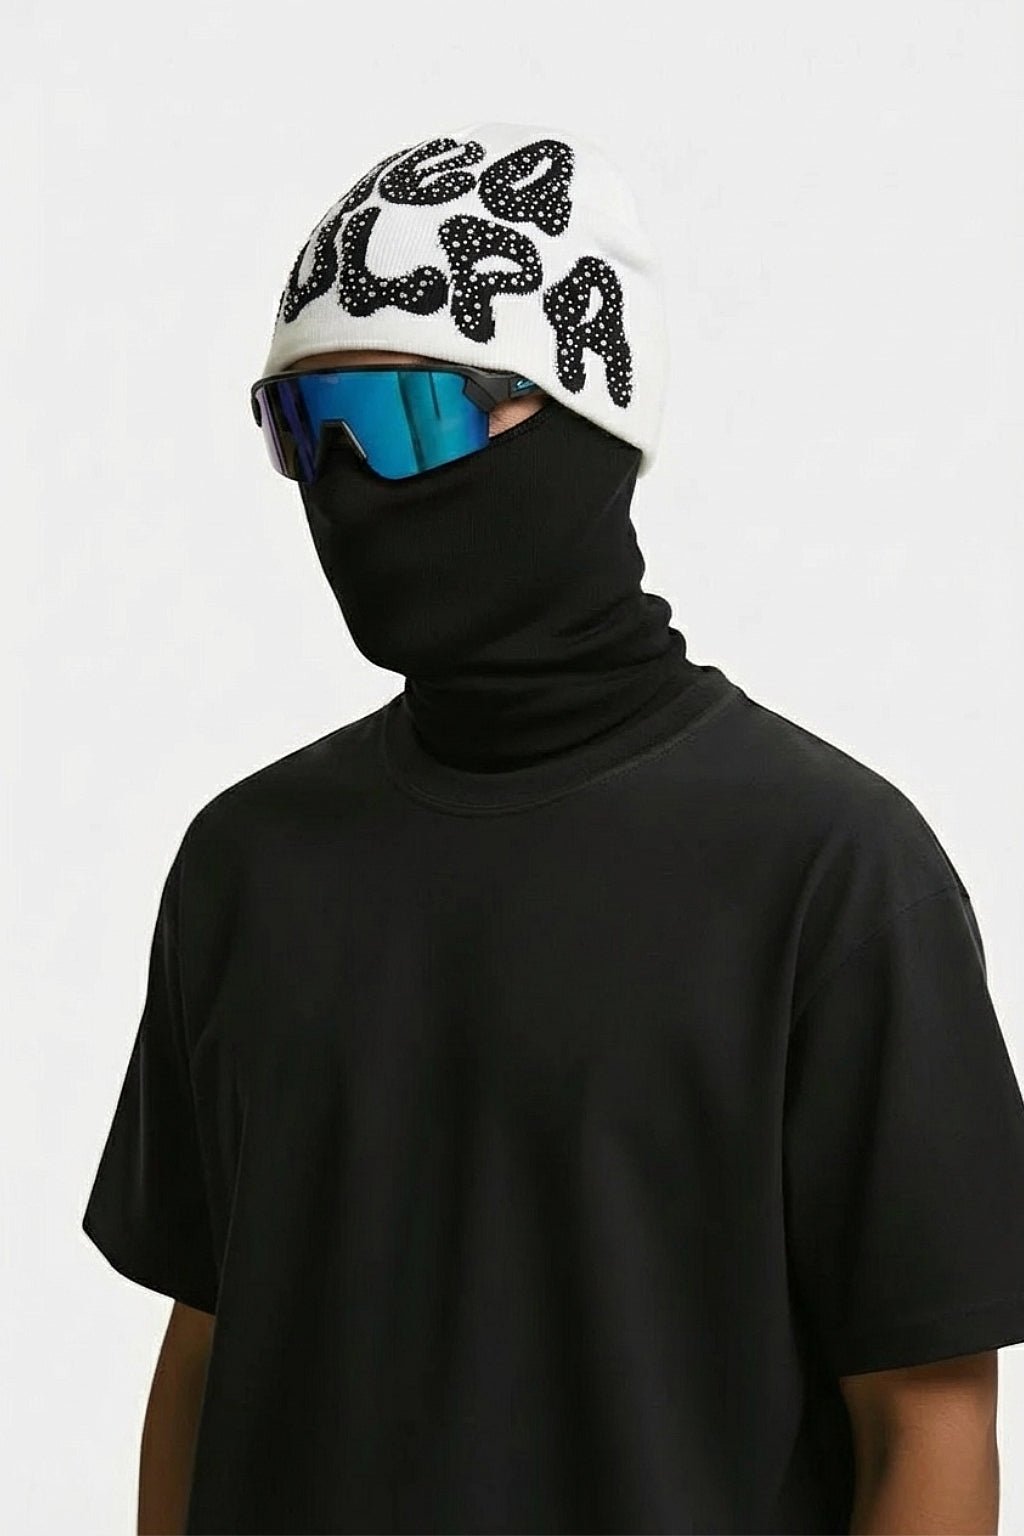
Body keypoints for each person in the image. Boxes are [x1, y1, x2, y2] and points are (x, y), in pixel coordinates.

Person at [81, 122, 1024, 1536]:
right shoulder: (247, 867)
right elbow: (209, 1352)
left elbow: (927, 1419)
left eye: (411, 416)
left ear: (586, 417)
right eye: (305, 427)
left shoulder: (829, 875)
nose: (350, 480)